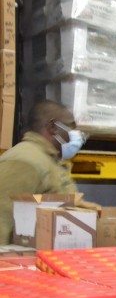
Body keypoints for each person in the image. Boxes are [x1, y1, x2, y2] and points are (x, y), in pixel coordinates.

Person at [0, 100, 90, 245]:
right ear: (52, 127)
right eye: (70, 127)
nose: (76, 135)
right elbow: (2, 220)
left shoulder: (48, 161)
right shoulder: (24, 161)